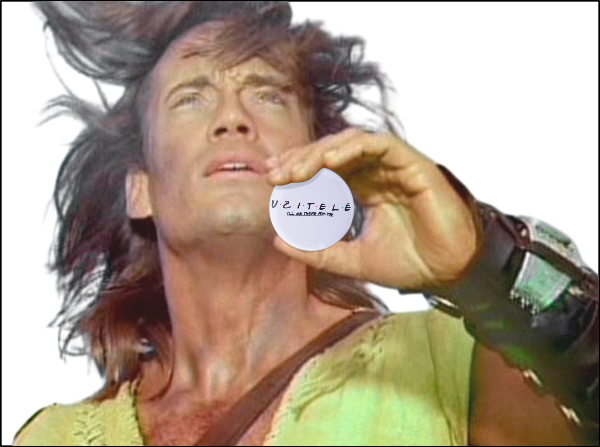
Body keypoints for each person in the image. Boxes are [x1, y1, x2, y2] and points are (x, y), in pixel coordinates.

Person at [13, 2, 598, 445]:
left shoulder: (450, 364)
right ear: (141, 189)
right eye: (192, 97)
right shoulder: (53, 439)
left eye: (268, 95)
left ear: (320, 162)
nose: (233, 118)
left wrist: (482, 264)